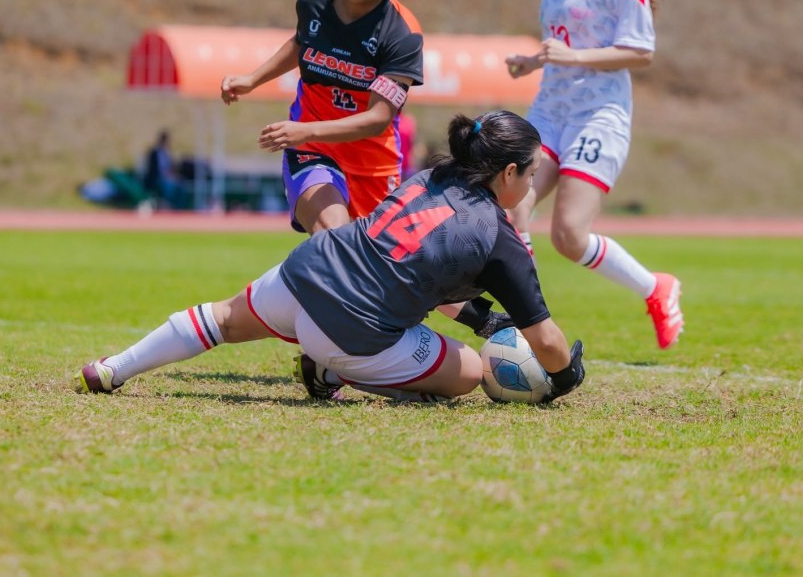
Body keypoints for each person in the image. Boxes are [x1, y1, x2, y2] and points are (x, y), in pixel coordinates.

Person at [73, 111, 586, 405]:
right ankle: (334, 370)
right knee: (470, 371)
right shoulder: (498, 238)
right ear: (509, 173)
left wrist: (479, 318)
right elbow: (546, 341)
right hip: (351, 328)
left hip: (307, 269)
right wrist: (566, 379)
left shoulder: (430, 177)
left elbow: (418, 272)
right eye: (532, 172)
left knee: (221, 319)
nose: (533, 183)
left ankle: (113, 368)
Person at [504, 0, 684, 350]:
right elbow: (563, 43)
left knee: (568, 234)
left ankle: (655, 287)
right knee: (512, 207)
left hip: (598, 115)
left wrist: (574, 57)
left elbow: (640, 51)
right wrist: (533, 61)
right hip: (549, 111)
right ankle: (528, 327)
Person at [220, 0, 423, 235]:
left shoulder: (402, 34)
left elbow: (378, 119)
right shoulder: (314, 3)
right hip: (312, 152)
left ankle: (281, 274)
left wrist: (306, 131)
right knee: (334, 236)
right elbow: (303, 43)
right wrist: (252, 80)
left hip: (373, 166)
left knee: (365, 264)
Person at [142, 130, 184, 209]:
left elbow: (172, 166)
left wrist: (173, 173)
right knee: (168, 186)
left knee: (181, 185)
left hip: (168, 177)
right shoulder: (154, 152)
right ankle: (166, 205)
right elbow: (152, 169)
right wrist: (164, 175)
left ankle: (178, 208)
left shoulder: (167, 153)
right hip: (157, 178)